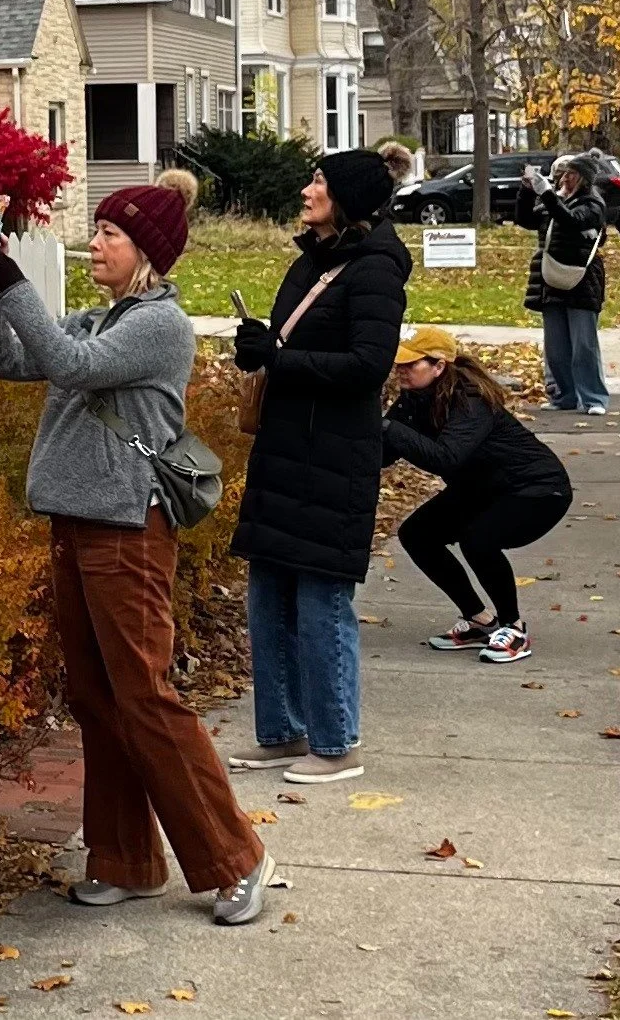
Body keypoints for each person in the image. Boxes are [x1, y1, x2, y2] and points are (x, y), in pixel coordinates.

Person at [0, 170, 273, 926]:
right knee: (98, 700)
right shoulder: (100, 319)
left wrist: (14, 285)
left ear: (145, 253)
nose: (94, 243)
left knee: (145, 697)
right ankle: (125, 861)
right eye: (97, 231)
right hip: (76, 524)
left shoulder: (157, 328)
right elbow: (4, 361)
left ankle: (236, 858)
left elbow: (70, 369)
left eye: (109, 234)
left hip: (128, 531)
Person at [228, 144, 413, 785]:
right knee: (267, 592)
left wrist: (280, 361)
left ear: (347, 199)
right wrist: (259, 346)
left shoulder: (376, 270)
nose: (307, 190)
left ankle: (336, 744)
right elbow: (288, 344)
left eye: (319, 181)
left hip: (334, 455)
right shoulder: (309, 263)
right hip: (285, 448)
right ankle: (281, 732)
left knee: (320, 596)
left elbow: (368, 366)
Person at [385, 328, 572, 665]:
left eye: (410, 364)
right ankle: (479, 621)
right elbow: (383, 451)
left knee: (479, 540)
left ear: (438, 366)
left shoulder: (470, 399)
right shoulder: (413, 401)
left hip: (537, 488)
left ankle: (513, 629)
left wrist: (388, 429)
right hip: (481, 489)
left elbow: (445, 457)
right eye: (400, 364)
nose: (400, 370)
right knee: (417, 534)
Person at [515, 149, 609, 415]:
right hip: (551, 278)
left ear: (584, 179)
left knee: (583, 344)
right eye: (564, 173)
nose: (565, 178)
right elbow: (526, 220)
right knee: (556, 345)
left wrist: (546, 193)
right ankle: (565, 396)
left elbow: (569, 221)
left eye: (572, 174)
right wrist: (527, 191)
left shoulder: (591, 204)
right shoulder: (555, 200)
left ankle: (593, 398)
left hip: (581, 278)